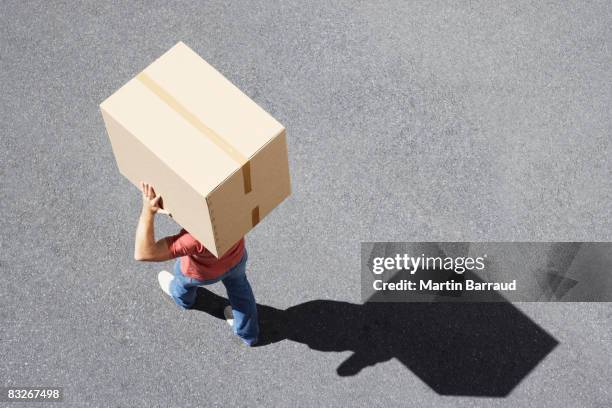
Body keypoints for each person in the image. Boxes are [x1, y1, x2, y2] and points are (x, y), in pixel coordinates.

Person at [133, 182, 259, 346]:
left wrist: (147, 212)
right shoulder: (239, 206)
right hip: (236, 258)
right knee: (240, 291)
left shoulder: (194, 239)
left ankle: (184, 300)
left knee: (181, 281)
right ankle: (249, 334)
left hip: (201, 274)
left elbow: (144, 253)